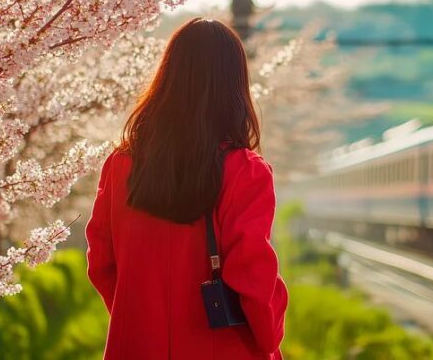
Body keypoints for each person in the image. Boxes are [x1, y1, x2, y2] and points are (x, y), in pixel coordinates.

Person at [85, 18, 288, 359]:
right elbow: (253, 278)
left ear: (168, 77)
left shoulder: (121, 164)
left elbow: (101, 262)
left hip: (134, 346)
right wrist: (269, 339)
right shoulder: (245, 172)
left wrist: (136, 317)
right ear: (234, 85)